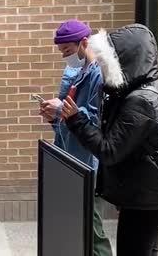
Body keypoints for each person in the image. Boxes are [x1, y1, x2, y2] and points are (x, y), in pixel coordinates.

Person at [61, 24, 158, 256]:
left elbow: (109, 150)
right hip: (148, 194)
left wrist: (75, 120)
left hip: (147, 200)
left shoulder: (140, 101)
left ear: (124, 61)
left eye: (107, 63)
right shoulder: (144, 89)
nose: (102, 68)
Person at [39, 19, 112, 256]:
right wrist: (53, 116)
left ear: (84, 42)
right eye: (61, 52)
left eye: (68, 51)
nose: (65, 57)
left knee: (93, 231)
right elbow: (68, 121)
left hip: (88, 164)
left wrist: (62, 111)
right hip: (70, 159)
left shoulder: (98, 75)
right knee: (79, 228)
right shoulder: (75, 72)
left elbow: (94, 122)